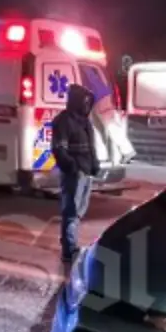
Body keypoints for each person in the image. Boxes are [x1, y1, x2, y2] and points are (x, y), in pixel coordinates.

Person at [51, 84, 101, 263]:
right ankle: (68, 249)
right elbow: (59, 149)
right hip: (74, 173)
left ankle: (70, 244)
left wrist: (94, 163)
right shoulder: (64, 121)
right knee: (71, 211)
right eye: (84, 101)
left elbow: (91, 147)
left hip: (86, 171)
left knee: (79, 211)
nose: (87, 105)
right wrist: (72, 167)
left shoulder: (85, 121)